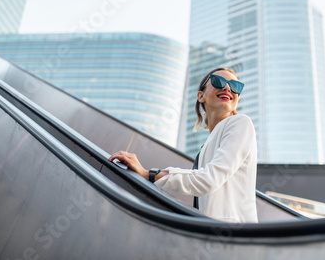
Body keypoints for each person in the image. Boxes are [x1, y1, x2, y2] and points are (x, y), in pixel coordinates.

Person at [108, 68, 258, 223]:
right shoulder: (209, 144)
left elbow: (208, 180)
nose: (227, 88)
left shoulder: (241, 123)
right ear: (201, 96)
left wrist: (149, 175)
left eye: (235, 86)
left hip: (235, 237)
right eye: (218, 82)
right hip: (216, 233)